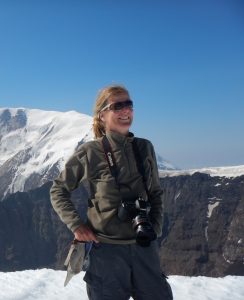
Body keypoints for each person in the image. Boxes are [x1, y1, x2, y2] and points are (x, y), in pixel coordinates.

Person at [50, 85, 173, 300]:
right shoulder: (90, 152)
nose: (126, 111)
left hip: (144, 248)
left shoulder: (145, 147)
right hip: (106, 254)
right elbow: (58, 189)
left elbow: (155, 193)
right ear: (102, 115)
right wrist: (76, 226)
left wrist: (154, 228)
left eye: (129, 104)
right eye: (118, 106)